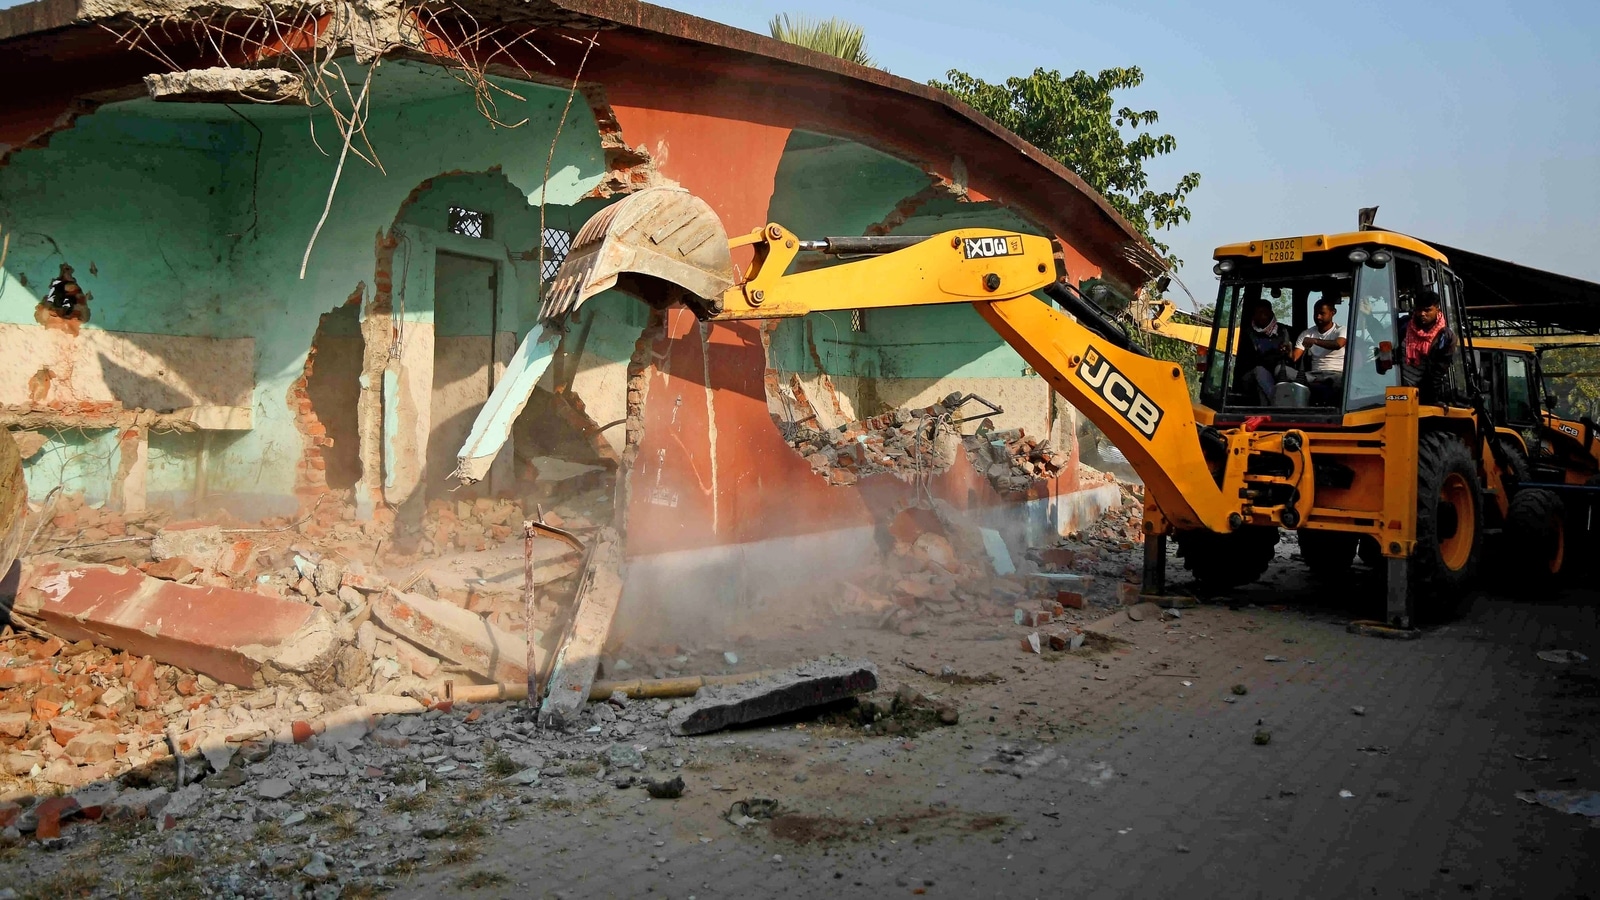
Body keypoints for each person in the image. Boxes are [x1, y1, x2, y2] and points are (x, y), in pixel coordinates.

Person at [1399, 288, 1458, 404]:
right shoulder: (1404, 325)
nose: (1422, 314)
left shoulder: (1445, 337)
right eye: (1419, 310)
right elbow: (1382, 337)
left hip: (1418, 394)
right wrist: (1369, 317)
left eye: (1427, 310)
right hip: (1395, 386)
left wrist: (1431, 400)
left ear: (1437, 309)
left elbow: (1437, 373)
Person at [1234, 299, 1293, 405]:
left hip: (1276, 373)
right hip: (1251, 376)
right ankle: (1279, 405)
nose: (1262, 316)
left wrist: (1286, 352)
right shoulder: (1248, 334)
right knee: (1260, 371)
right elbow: (1248, 362)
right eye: (1259, 313)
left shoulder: (1283, 331)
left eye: (1265, 313)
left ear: (1271, 313)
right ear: (1254, 315)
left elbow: (1290, 357)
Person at [1293, 298, 1347, 406]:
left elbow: (1338, 344)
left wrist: (1315, 341)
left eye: (1322, 313)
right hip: (1313, 375)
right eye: (1316, 313)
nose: (1318, 317)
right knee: (1284, 373)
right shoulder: (1307, 333)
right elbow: (1295, 357)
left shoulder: (1341, 330)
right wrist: (1286, 350)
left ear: (1333, 313)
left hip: (1336, 373)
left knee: (1341, 382)